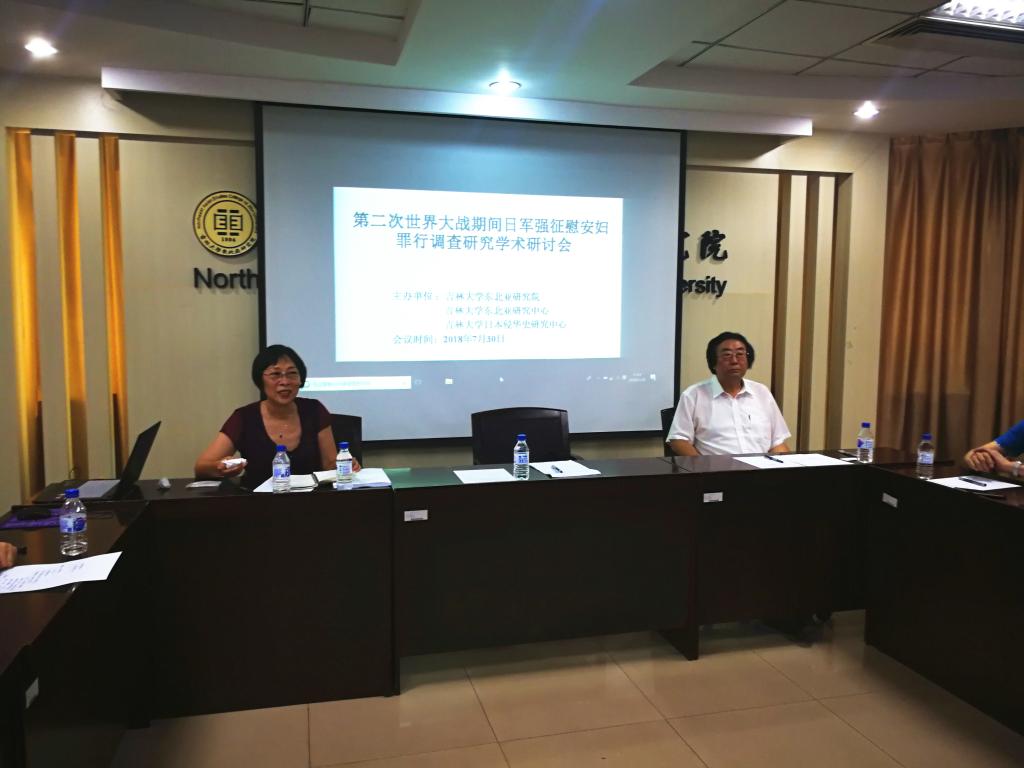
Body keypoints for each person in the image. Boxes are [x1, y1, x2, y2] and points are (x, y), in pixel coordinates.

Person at [195, 345, 360, 489]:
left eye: (292, 374)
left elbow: (330, 465)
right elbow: (201, 467)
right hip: (258, 505)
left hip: (310, 503)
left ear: (300, 379)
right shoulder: (244, 418)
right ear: (260, 380)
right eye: (275, 374)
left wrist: (345, 464)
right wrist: (220, 468)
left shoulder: (315, 410)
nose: (285, 381)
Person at [667, 331, 791, 456]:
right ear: (713, 362)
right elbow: (679, 441)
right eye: (727, 355)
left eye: (740, 354)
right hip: (717, 467)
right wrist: (701, 466)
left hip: (761, 466)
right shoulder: (693, 395)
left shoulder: (762, 392)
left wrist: (781, 466)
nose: (734, 361)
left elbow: (778, 442)